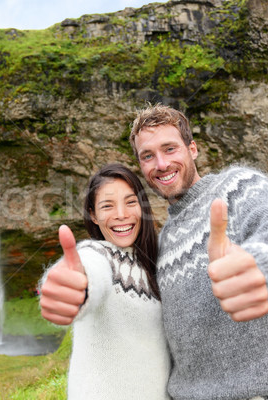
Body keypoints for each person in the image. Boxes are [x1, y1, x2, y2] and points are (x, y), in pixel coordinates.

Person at [39, 104, 268, 400]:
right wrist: (73, 287)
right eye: (147, 156)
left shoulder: (239, 187)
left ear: (193, 149)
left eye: (170, 148)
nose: (161, 164)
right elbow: (94, 267)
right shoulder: (162, 245)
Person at [40, 163, 171, 399]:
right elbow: (89, 272)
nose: (121, 214)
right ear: (93, 214)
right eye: (107, 206)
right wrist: (74, 288)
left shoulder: (156, 262)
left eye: (130, 202)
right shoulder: (98, 254)